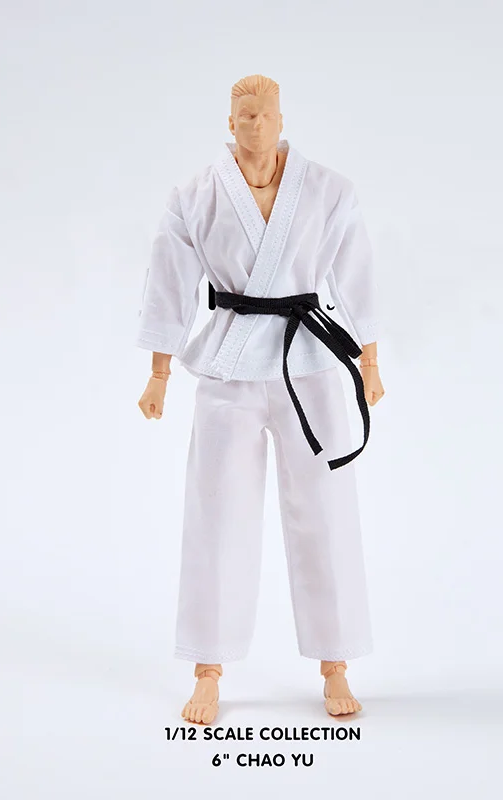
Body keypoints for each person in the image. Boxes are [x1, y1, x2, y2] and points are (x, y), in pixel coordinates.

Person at [136, 74, 385, 723]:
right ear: (229, 121)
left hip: (309, 365)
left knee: (326, 508)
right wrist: (160, 372)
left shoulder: (329, 190)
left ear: (281, 118)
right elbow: (169, 282)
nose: (254, 123)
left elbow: (355, 275)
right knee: (217, 510)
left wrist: (368, 360)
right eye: (243, 114)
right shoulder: (195, 195)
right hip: (229, 366)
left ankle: (336, 662)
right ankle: (208, 667)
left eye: (264, 113)